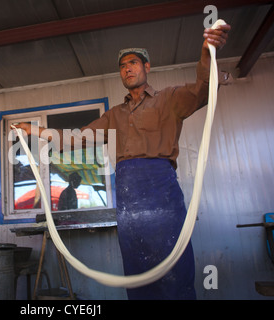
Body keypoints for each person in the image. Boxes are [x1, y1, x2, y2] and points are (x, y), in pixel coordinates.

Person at [14, 24, 231, 299]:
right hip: (128, 201)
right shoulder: (113, 115)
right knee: (137, 271)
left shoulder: (169, 99)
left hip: (161, 195)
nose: (127, 69)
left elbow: (204, 89)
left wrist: (207, 53)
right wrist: (34, 130)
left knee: (174, 269)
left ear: (147, 67)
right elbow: (77, 138)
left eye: (133, 63)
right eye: (122, 66)